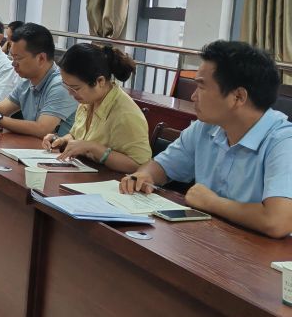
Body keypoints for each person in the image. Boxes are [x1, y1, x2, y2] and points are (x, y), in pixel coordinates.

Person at [119, 40, 292, 238]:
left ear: (238, 97)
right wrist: (144, 176)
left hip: (264, 253)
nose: (193, 96)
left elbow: (277, 221)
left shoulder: (283, 142)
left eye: (201, 87)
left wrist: (212, 203)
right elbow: (162, 167)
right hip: (213, 239)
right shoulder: (206, 127)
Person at [41, 43, 150, 172]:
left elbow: (140, 166)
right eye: (66, 86)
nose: (70, 93)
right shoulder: (88, 101)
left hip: (113, 180)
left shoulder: (125, 114)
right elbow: (78, 136)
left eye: (75, 88)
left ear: (100, 81)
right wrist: (62, 140)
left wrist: (93, 148)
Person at [0, 22, 76, 137]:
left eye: (18, 58)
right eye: (12, 57)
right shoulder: (26, 81)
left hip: (55, 148)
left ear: (41, 58)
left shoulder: (61, 85)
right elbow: (0, 109)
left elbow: (43, 129)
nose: (13, 63)